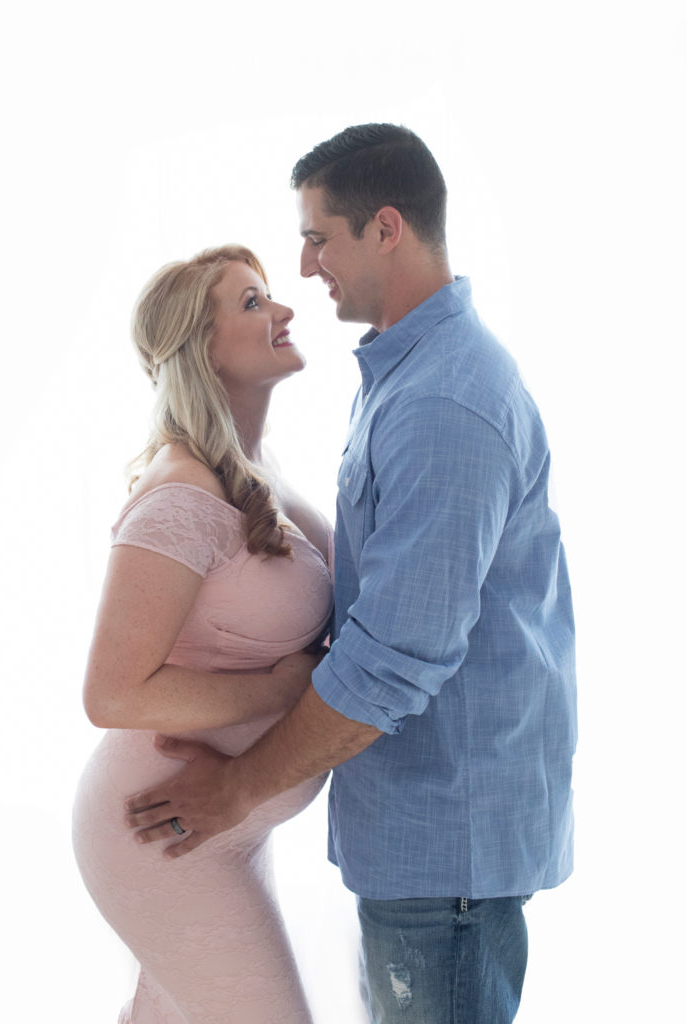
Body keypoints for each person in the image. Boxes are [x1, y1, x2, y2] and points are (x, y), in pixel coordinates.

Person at [124, 124, 578, 1024]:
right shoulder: (403, 379)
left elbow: (394, 657)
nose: (305, 267)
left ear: (385, 229)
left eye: (318, 237)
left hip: (445, 854)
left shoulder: (445, 400)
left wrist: (235, 789)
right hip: (423, 846)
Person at [72, 244, 336, 1023]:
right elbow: (112, 692)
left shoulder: (259, 471)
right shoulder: (181, 495)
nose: (284, 310)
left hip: (221, 825)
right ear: (200, 349)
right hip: (158, 834)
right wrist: (280, 689)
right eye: (253, 302)